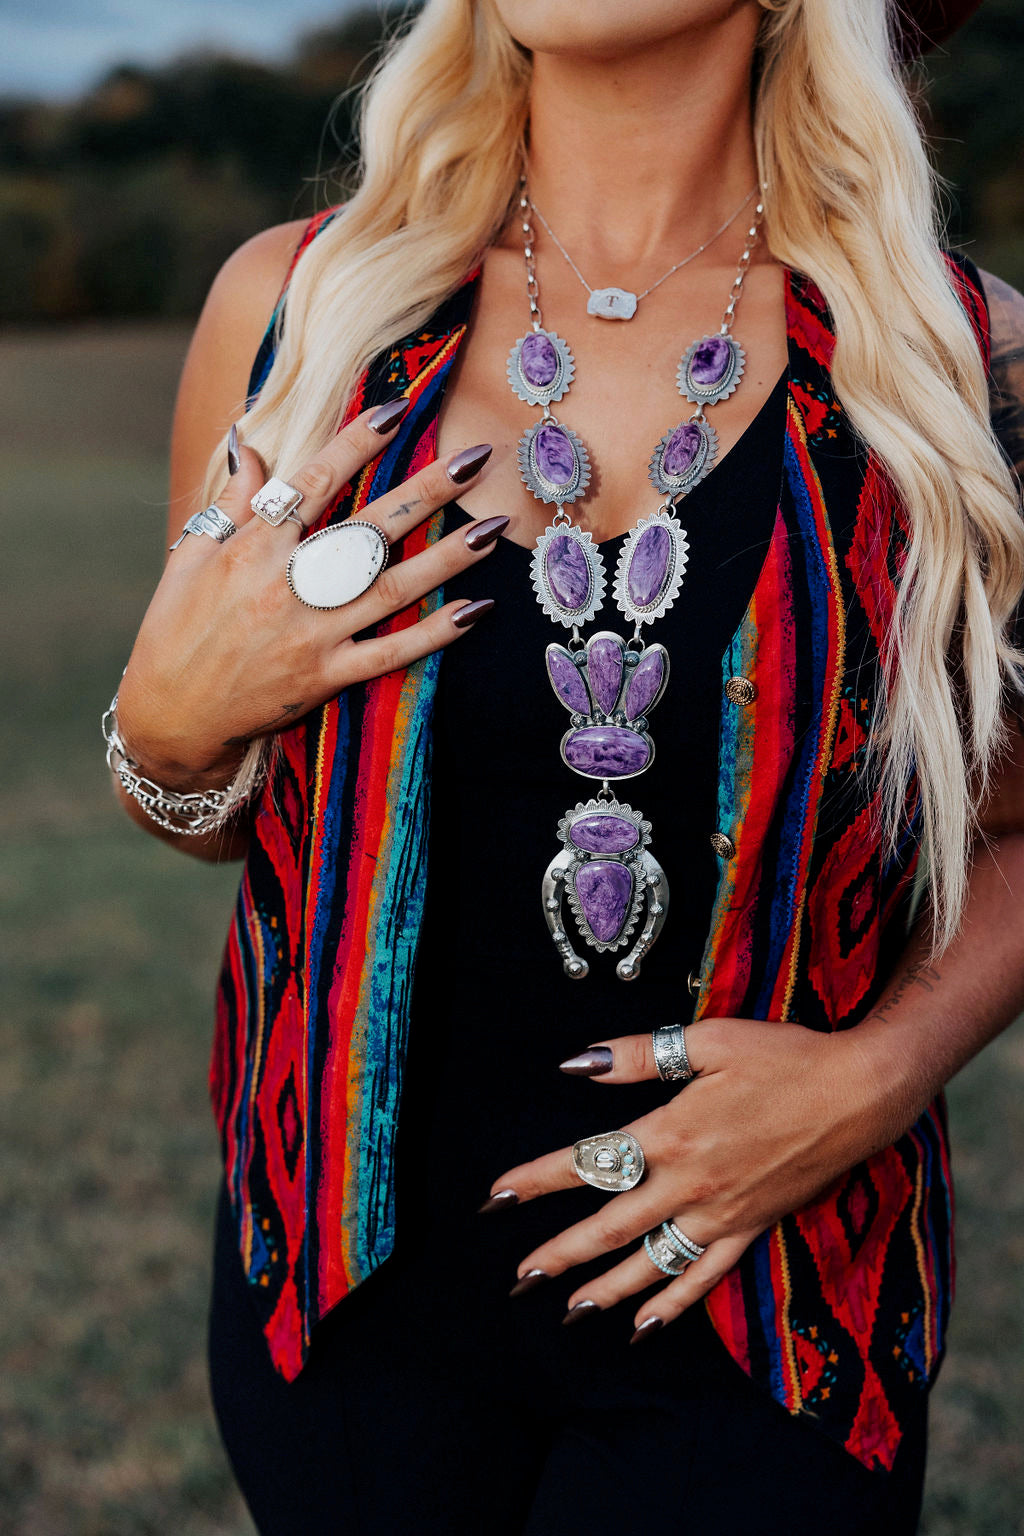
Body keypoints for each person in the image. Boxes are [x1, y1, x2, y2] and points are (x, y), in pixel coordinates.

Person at [106, 1, 1024, 1531]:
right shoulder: (300, 311)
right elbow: (207, 809)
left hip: (768, 1318)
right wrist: (173, 729)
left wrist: (878, 1077)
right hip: (345, 1317)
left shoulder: (950, 359)